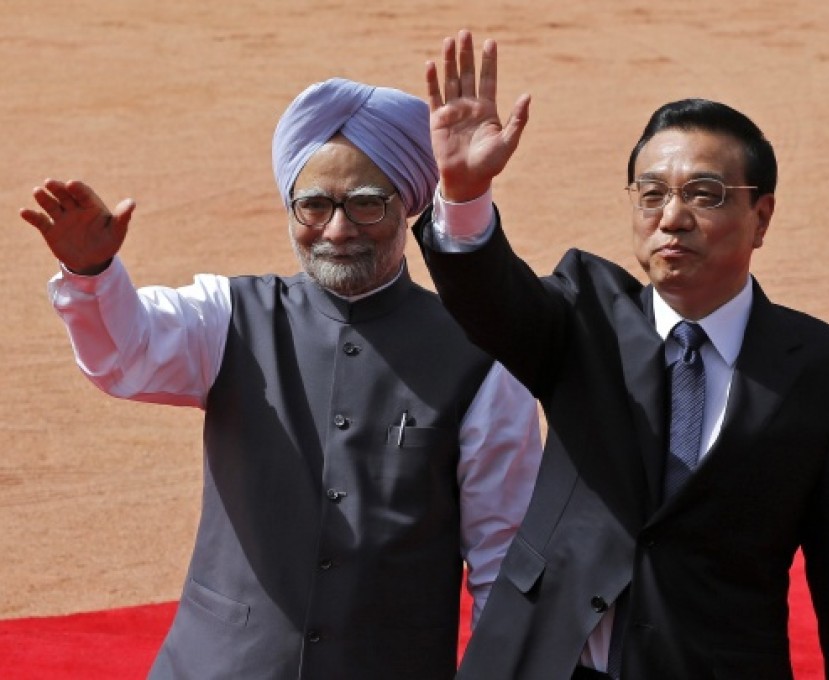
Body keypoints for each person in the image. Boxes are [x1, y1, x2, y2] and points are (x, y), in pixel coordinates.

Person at [412, 31, 829, 680]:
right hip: (546, 663)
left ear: (762, 217)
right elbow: (491, 302)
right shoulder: (584, 319)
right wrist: (466, 195)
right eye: (651, 194)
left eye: (704, 194)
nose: (671, 217)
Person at [19, 76, 542, 680]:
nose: (338, 230)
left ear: (410, 205)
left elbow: (502, 560)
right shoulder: (228, 315)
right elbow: (125, 355)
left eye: (367, 203)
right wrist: (93, 274)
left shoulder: (480, 359)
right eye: (314, 205)